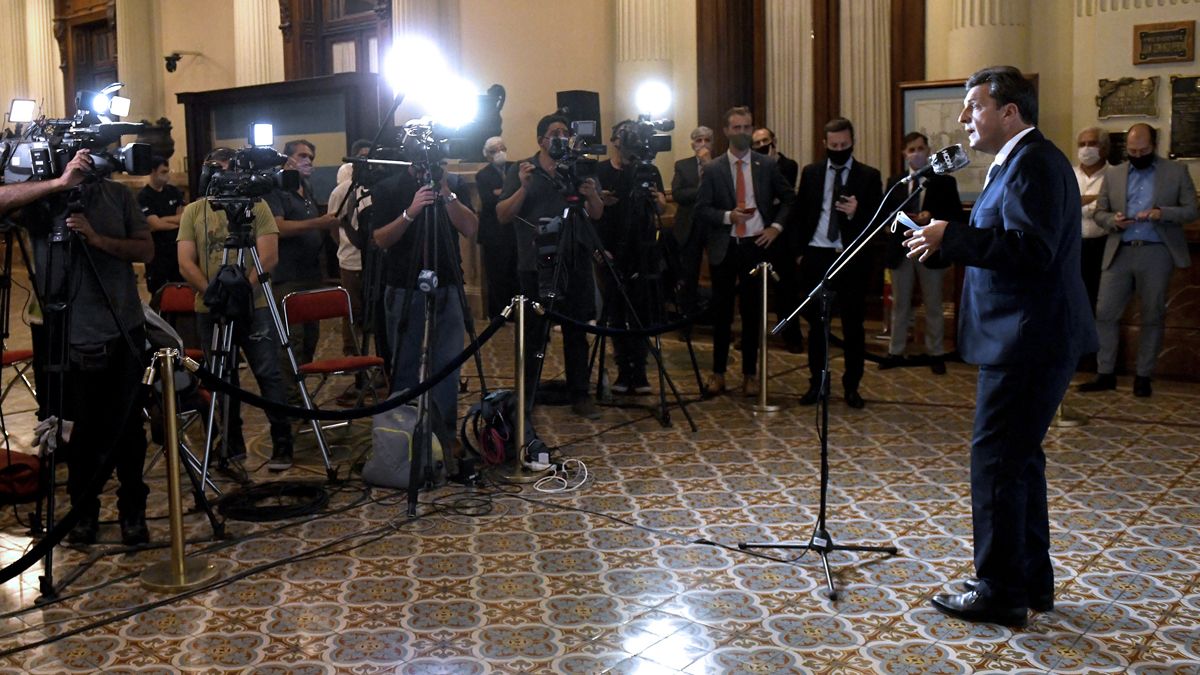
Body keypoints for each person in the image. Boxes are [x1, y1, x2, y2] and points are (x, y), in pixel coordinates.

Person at [904, 66, 1097, 626]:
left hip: (1027, 338)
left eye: (974, 106)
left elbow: (1031, 250)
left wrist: (953, 235)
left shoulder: (1033, 162)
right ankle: (1030, 581)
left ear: (1009, 112)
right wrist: (944, 242)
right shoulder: (1018, 161)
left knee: (995, 463)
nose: (963, 117)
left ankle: (999, 591)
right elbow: (1004, 241)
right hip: (1024, 336)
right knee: (1018, 463)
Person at [19, 149, 154, 545]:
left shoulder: (119, 195)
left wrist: (97, 240)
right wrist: (58, 184)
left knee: (128, 430)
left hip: (122, 328)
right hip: (66, 334)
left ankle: (133, 513)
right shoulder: (41, 198)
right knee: (76, 434)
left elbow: (145, 250)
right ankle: (83, 514)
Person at [178, 147, 294, 472]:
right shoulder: (194, 212)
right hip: (211, 308)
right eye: (215, 167)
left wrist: (242, 291)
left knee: (268, 373)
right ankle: (231, 444)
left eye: (228, 167)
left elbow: (268, 257)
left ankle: (282, 441)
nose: (222, 174)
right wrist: (213, 294)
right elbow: (186, 262)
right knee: (222, 377)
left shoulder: (257, 206)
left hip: (254, 306)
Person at [496, 113, 605, 421]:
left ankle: (580, 394)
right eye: (554, 133)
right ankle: (527, 393)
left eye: (565, 132)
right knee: (533, 333)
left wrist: (591, 195)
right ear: (540, 140)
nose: (560, 137)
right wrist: (523, 187)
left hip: (575, 261)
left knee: (576, 332)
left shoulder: (579, 167)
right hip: (535, 263)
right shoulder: (523, 169)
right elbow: (502, 215)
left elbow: (597, 213)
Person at [1078, 123, 1196, 398]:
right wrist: (1113, 220)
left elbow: (1192, 210)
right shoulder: (1115, 174)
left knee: (1152, 315)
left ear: (1154, 146)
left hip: (1156, 251)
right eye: (1132, 151)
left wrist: (1162, 213)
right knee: (1105, 313)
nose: (1137, 155)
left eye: (1143, 150)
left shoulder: (1176, 171)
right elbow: (1100, 212)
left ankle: (1143, 376)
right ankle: (1105, 373)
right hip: (1119, 249)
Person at [372, 160, 477, 459]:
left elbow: (470, 228)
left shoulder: (453, 185)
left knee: (447, 365)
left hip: (448, 285)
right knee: (405, 365)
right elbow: (381, 239)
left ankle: (444, 436)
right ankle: (403, 437)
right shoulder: (389, 187)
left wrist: (446, 194)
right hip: (404, 288)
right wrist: (411, 212)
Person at [694, 106, 795, 397]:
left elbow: (789, 198)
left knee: (752, 313)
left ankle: (750, 374)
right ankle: (718, 372)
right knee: (722, 313)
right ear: (726, 131)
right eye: (736, 127)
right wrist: (728, 217)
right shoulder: (714, 169)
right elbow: (702, 209)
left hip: (756, 246)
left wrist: (775, 227)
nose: (742, 132)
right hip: (725, 247)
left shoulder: (767, 165)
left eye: (746, 127)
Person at [788, 117, 882, 409]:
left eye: (844, 145)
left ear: (852, 143)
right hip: (817, 255)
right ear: (825, 144)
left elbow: (878, 222)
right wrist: (800, 253)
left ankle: (852, 386)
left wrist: (856, 212)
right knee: (817, 326)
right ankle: (817, 384)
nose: (839, 149)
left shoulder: (869, 176)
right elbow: (800, 214)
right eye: (834, 145)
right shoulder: (812, 172)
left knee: (853, 326)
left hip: (850, 257)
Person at [879, 132, 964, 374]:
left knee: (933, 304)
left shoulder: (944, 182)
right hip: (902, 249)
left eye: (920, 149)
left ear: (928, 151)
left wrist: (931, 216)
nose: (916, 154)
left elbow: (955, 215)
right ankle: (895, 351)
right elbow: (886, 214)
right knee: (900, 304)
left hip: (930, 250)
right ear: (904, 154)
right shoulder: (896, 181)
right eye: (911, 150)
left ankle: (935, 352)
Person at [595, 120, 667, 394]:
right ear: (614, 140)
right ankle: (623, 369)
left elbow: (662, 205)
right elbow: (592, 210)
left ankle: (640, 369)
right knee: (616, 311)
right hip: (610, 247)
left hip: (642, 247)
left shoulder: (648, 169)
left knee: (641, 310)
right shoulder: (601, 171)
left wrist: (656, 199)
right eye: (624, 136)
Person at [264, 139, 340, 368]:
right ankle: (290, 390)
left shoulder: (306, 187)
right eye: (302, 156)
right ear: (287, 159)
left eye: (311, 158)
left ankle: (302, 386)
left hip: (311, 274)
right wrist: (318, 223)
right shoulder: (275, 189)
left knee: (310, 338)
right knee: (291, 340)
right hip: (288, 276)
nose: (308, 161)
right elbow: (277, 227)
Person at [752, 126, 804, 352]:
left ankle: (792, 337)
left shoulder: (787, 164)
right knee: (754, 290)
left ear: (773, 141)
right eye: (757, 143)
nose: (762, 145)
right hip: (757, 234)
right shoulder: (752, 167)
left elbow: (783, 197)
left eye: (765, 141)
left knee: (786, 290)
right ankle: (752, 336)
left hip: (782, 237)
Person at [475, 136, 520, 319]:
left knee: (516, 273)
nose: (500, 153)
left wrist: (500, 192)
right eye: (494, 150)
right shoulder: (482, 175)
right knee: (497, 275)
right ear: (487, 155)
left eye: (502, 148)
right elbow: (488, 201)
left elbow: (521, 192)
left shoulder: (515, 168)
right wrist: (509, 192)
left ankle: (518, 312)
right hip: (493, 233)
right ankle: (499, 315)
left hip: (515, 230)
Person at [670, 126, 712, 313]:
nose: (703, 144)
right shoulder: (682, 165)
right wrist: (702, 190)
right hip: (689, 226)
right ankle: (687, 317)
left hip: (713, 226)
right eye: (698, 140)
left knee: (719, 272)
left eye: (707, 140)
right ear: (692, 144)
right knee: (689, 274)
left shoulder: (720, 164)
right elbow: (678, 194)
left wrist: (708, 165)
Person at [1074, 127, 1110, 314]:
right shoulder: (1068, 174)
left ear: (1104, 148)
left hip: (1104, 245)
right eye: (1082, 144)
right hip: (1073, 245)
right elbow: (1063, 203)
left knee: (1100, 300)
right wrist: (1098, 197)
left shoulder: (1115, 175)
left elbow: (1116, 206)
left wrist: (1080, 201)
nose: (1086, 149)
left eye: (1092, 143)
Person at [137, 156, 185, 294]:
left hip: (176, 249)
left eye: (167, 171)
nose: (167, 175)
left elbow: (184, 218)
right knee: (159, 293)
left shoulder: (173, 191)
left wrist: (164, 220)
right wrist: (175, 221)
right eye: (163, 172)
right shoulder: (144, 196)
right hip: (157, 253)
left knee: (181, 289)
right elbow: (156, 224)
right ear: (153, 172)